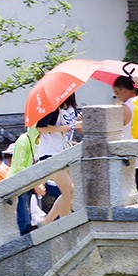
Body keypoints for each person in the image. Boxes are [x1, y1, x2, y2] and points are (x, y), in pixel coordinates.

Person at [34, 94, 77, 224]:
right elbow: (40, 127)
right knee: (68, 190)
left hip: (64, 152)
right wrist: (63, 128)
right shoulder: (53, 107)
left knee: (71, 192)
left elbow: (73, 124)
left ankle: (47, 221)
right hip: (50, 153)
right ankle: (64, 224)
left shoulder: (71, 107)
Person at [113, 75, 138, 197]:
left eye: (116, 92)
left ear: (123, 90)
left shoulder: (124, 108)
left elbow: (112, 129)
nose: (116, 96)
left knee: (128, 192)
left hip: (127, 155)